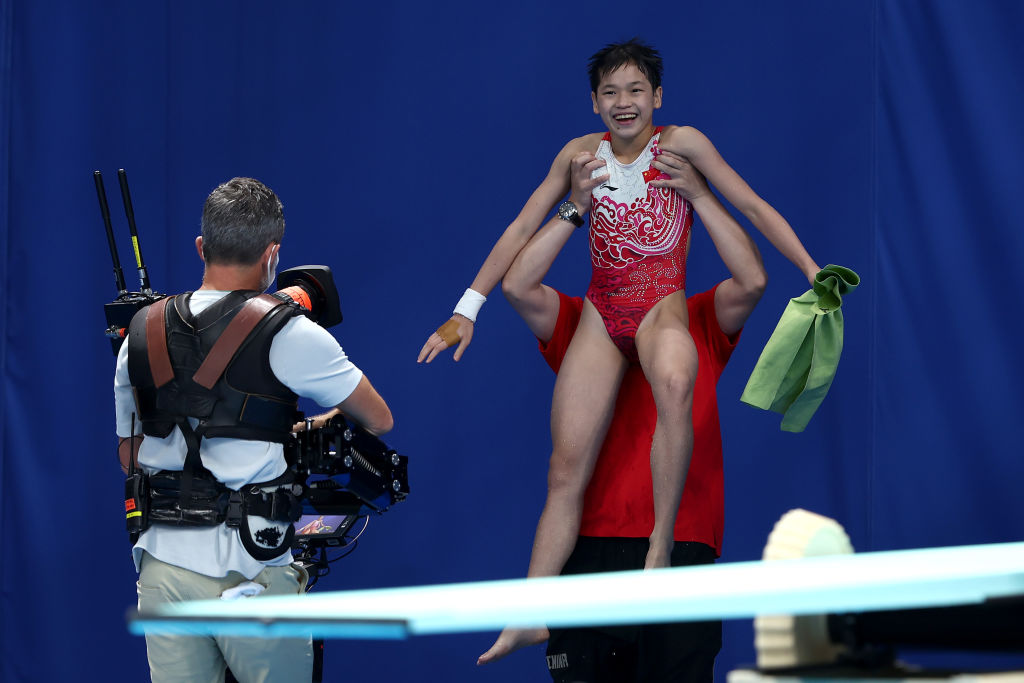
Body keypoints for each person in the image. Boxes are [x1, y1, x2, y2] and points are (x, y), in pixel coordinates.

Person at [420, 35, 817, 626]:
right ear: (594, 102)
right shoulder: (579, 155)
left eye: (635, 90)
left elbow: (754, 206)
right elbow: (520, 224)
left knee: (677, 383)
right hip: (604, 313)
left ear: (657, 96)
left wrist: (814, 271)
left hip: (661, 306)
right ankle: (528, 615)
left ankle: (659, 549)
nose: (624, 102)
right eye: (611, 92)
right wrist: (466, 309)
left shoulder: (682, 145)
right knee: (564, 466)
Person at [477, 152, 767, 681]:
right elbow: (517, 286)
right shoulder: (579, 322)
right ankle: (528, 611)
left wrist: (700, 194)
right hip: (591, 549)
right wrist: (574, 206)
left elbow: (751, 281)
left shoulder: (699, 321)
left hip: (680, 545)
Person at [114, 177, 393, 683]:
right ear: (272, 255)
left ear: (201, 247)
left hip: (163, 571)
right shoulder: (290, 331)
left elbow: (130, 454)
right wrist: (301, 428)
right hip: (253, 568)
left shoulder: (139, 332)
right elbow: (378, 418)